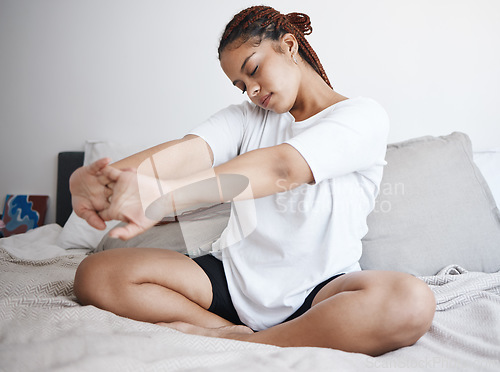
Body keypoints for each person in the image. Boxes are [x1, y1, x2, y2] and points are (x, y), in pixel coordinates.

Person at [71, 5, 435, 356]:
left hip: (320, 290)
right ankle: (221, 331)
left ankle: (255, 345)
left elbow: (283, 168)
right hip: (233, 281)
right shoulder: (247, 118)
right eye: (241, 85)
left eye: (254, 70)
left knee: (412, 301)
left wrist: (161, 198)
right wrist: (105, 182)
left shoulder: (362, 116)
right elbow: (189, 152)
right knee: (96, 274)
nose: (252, 91)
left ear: (289, 46)